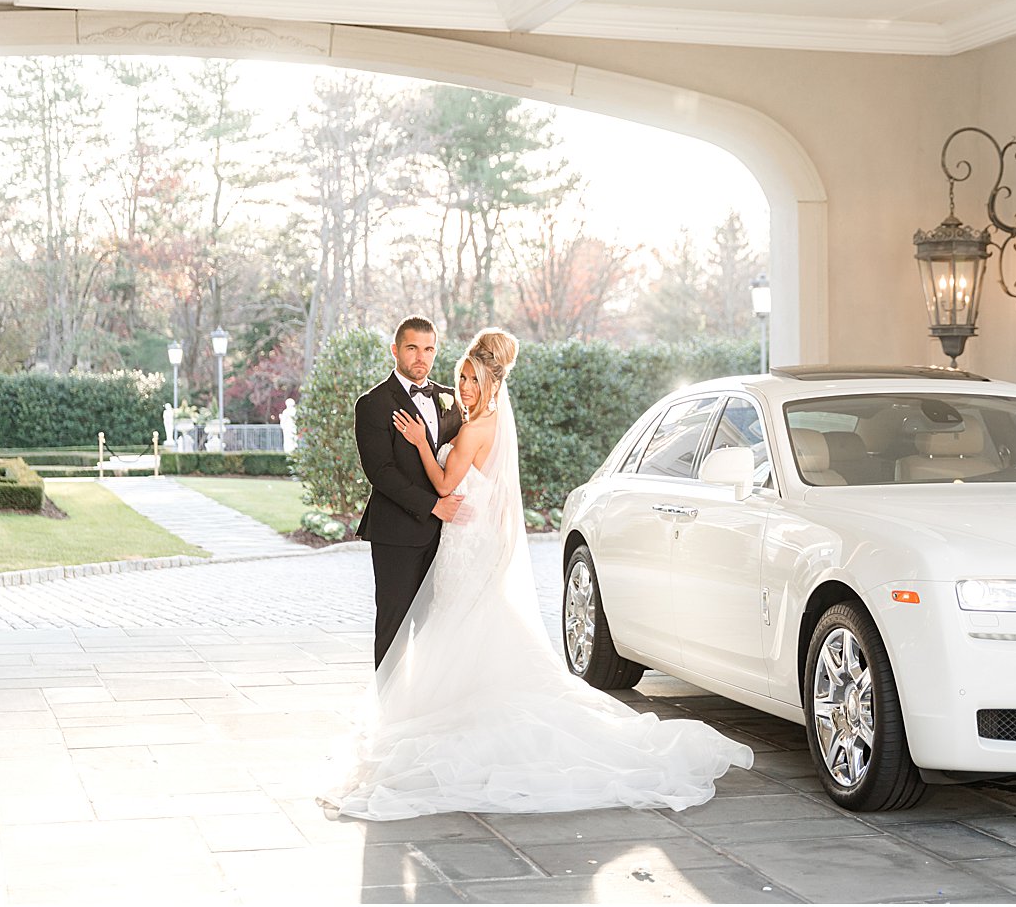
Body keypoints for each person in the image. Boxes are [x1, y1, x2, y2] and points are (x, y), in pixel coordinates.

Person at [321, 328, 753, 819]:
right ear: (396, 351)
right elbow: (381, 471)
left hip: (460, 540)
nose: (458, 384)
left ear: (487, 381)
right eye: (458, 375)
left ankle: (443, 717)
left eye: (465, 374)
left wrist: (423, 445)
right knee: (405, 626)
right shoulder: (384, 405)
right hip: (423, 536)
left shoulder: (467, 419)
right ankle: (398, 712)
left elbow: (450, 478)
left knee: (458, 632)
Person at [353, 316, 464, 668]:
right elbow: (380, 472)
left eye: (429, 349)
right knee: (395, 625)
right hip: (396, 534)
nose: (421, 357)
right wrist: (434, 506)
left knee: (435, 627)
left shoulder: (451, 399)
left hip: (447, 538)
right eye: (412, 348)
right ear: (395, 350)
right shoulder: (373, 403)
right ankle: (389, 710)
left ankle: (427, 706)